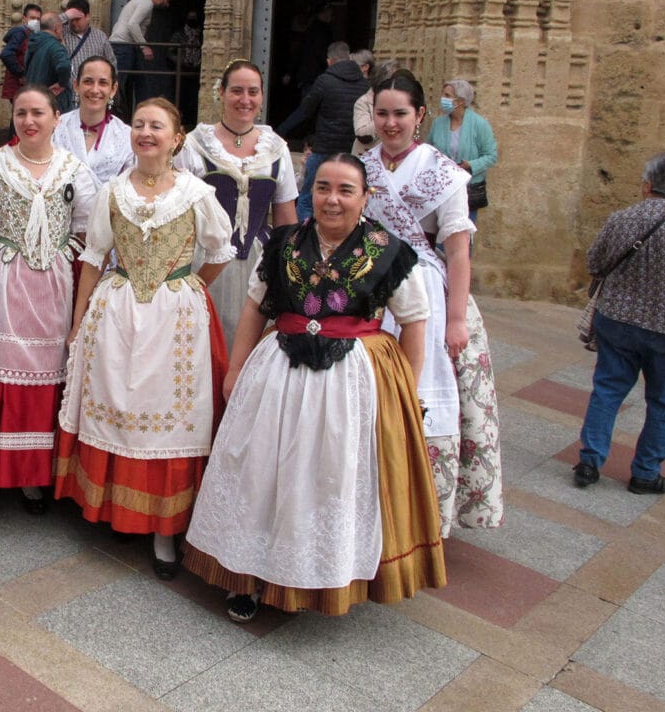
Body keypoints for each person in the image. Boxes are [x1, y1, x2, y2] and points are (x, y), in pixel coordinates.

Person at [183, 154, 446, 620]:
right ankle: (247, 576)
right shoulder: (283, 243)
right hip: (277, 376)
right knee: (262, 473)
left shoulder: (390, 253)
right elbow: (254, 308)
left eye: (346, 190)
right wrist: (236, 369)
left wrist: (404, 392)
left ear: (366, 197)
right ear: (311, 193)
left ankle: (320, 577)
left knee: (328, 479)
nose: (332, 199)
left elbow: (415, 322)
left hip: (349, 385)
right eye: (323, 188)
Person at [56, 98, 233, 578]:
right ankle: (118, 508)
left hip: (176, 318)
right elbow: (94, 258)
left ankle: (163, 530)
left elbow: (220, 251)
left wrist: (188, 286)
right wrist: (78, 321)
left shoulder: (195, 193)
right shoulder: (113, 191)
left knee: (169, 416)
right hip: (116, 310)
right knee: (118, 406)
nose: (146, 133)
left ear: (177, 138)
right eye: (138, 124)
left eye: (157, 126)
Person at [0, 85, 98, 519]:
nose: (29, 121)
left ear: (56, 118)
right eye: (21, 113)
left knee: (46, 379)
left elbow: (88, 235)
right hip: (1, 283)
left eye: (38, 113)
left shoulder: (74, 170)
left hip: (55, 288)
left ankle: (32, 475)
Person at [362, 71, 504, 535]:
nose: (390, 123)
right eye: (382, 113)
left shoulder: (442, 172)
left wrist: (457, 319)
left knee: (425, 389)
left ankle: (420, 515)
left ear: (420, 115)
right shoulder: (362, 167)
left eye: (400, 113)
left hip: (423, 287)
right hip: (369, 286)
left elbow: (458, 251)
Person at [574, 153, 665, 495]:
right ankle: (646, 473)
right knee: (664, 401)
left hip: (617, 321)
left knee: (607, 390)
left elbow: (594, 263)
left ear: (647, 186)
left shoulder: (621, 219)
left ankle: (589, 462)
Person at [181, 60, 298, 346]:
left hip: (259, 261)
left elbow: (286, 219)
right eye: (236, 91)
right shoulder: (194, 145)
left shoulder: (276, 149)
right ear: (221, 92)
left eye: (253, 92)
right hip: (204, 259)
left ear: (261, 97)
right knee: (204, 341)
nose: (245, 99)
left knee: (252, 342)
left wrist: (289, 269)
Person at [277, 41, 369, 222]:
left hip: (324, 148)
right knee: (347, 199)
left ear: (329, 61)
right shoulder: (364, 85)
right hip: (351, 151)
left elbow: (307, 109)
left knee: (307, 198)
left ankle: (304, 234)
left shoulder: (324, 81)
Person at [426, 79, 498, 226]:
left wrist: (471, 165)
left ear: (460, 101)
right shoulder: (438, 123)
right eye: (443, 94)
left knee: (462, 231)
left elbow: (491, 156)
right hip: (442, 189)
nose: (443, 99)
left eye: (447, 95)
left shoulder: (479, 124)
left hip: (467, 189)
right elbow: (429, 150)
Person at [50, 56, 131, 185]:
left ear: (113, 89)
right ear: (76, 85)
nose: (94, 90)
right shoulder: (56, 127)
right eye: (88, 81)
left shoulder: (126, 135)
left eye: (103, 83)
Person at [110, 0, 171, 110]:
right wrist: (144, 46)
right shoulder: (147, 4)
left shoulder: (142, 1)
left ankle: (139, 110)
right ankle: (113, 110)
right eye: (166, 0)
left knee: (139, 79)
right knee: (119, 82)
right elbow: (133, 24)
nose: (167, 4)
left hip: (125, 45)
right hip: (124, 45)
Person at [24, 12, 72, 112]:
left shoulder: (34, 43)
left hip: (33, 95)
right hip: (52, 101)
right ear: (56, 28)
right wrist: (62, 84)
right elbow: (64, 66)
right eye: (61, 28)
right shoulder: (56, 46)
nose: (62, 31)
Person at [60, 0, 117, 79]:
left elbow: (111, 62)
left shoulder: (100, 36)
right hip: (68, 84)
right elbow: (44, 30)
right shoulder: (61, 32)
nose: (74, 23)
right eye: (71, 19)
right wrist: (64, 16)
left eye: (77, 19)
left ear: (87, 17)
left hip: (92, 84)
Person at [352, 57, 398, 154]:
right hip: (369, 156)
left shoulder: (403, 102)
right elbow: (362, 134)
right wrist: (385, 114)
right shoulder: (364, 102)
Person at [0, 3, 41, 103]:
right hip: (18, 85)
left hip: (29, 85)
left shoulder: (35, 34)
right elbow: (6, 54)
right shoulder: (20, 32)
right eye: (32, 18)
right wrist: (21, 74)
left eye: (38, 19)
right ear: (24, 18)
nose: (35, 21)